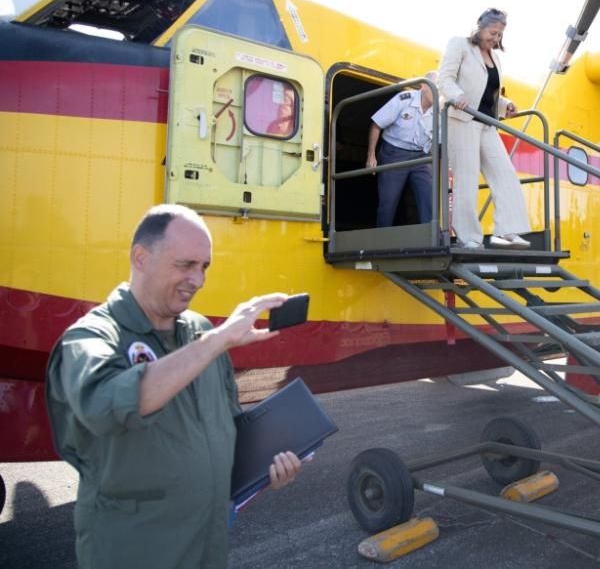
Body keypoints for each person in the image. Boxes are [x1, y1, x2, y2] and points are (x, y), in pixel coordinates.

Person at [45, 204, 303, 568]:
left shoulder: (201, 333)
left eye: (204, 267)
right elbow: (105, 406)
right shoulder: (92, 337)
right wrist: (218, 340)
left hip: (207, 550)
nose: (197, 280)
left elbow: (226, 430)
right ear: (141, 257)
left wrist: (266, 470)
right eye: (185, 265)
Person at [438, 8, 531, 249]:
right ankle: (469, 237)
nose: (495, 39)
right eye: (492, 32)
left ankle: (507, 231)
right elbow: (444, 79)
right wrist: (456, 95)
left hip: (486, 124)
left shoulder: (495, 58)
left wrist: (505, 104)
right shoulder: (459, 45)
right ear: (479, 26)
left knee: (506, 174)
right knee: (466, 179)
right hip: (462, 120)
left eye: (499, 35)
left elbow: (486, 95)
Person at [366, 71, 438, 227]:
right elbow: (376, 125)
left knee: (429, 197)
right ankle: (381, 240)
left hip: (421, 156)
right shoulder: (403, 99)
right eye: (435, 87)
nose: (438, 92)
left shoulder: (441, 109)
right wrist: (371, 156)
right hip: (394, 153)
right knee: (388, 202)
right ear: (423, 85)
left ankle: (433, 240)